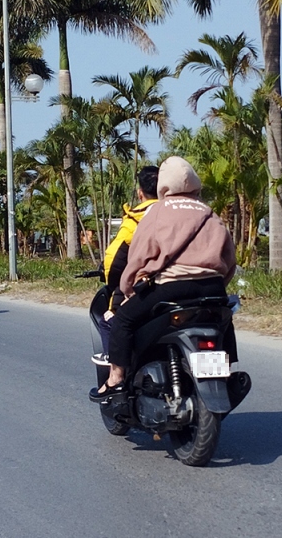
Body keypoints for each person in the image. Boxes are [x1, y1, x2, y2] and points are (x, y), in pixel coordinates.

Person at [89, 156, 236, 402]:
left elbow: (138, 257)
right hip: (212, 287)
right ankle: (228, 370)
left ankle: (114, 379)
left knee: (123, 321)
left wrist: (127, 289)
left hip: (171, 288)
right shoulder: (210, 213)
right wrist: (218, 284)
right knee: (222, 317)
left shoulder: (157, 212)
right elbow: (230, 259)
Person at [92, 165, 160, 366]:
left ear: (140, 193)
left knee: (109, 320)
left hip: (143, 284)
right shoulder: (178, 213)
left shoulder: (136, 218)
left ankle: (115, 369)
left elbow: (115, 258)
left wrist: (112, 280)